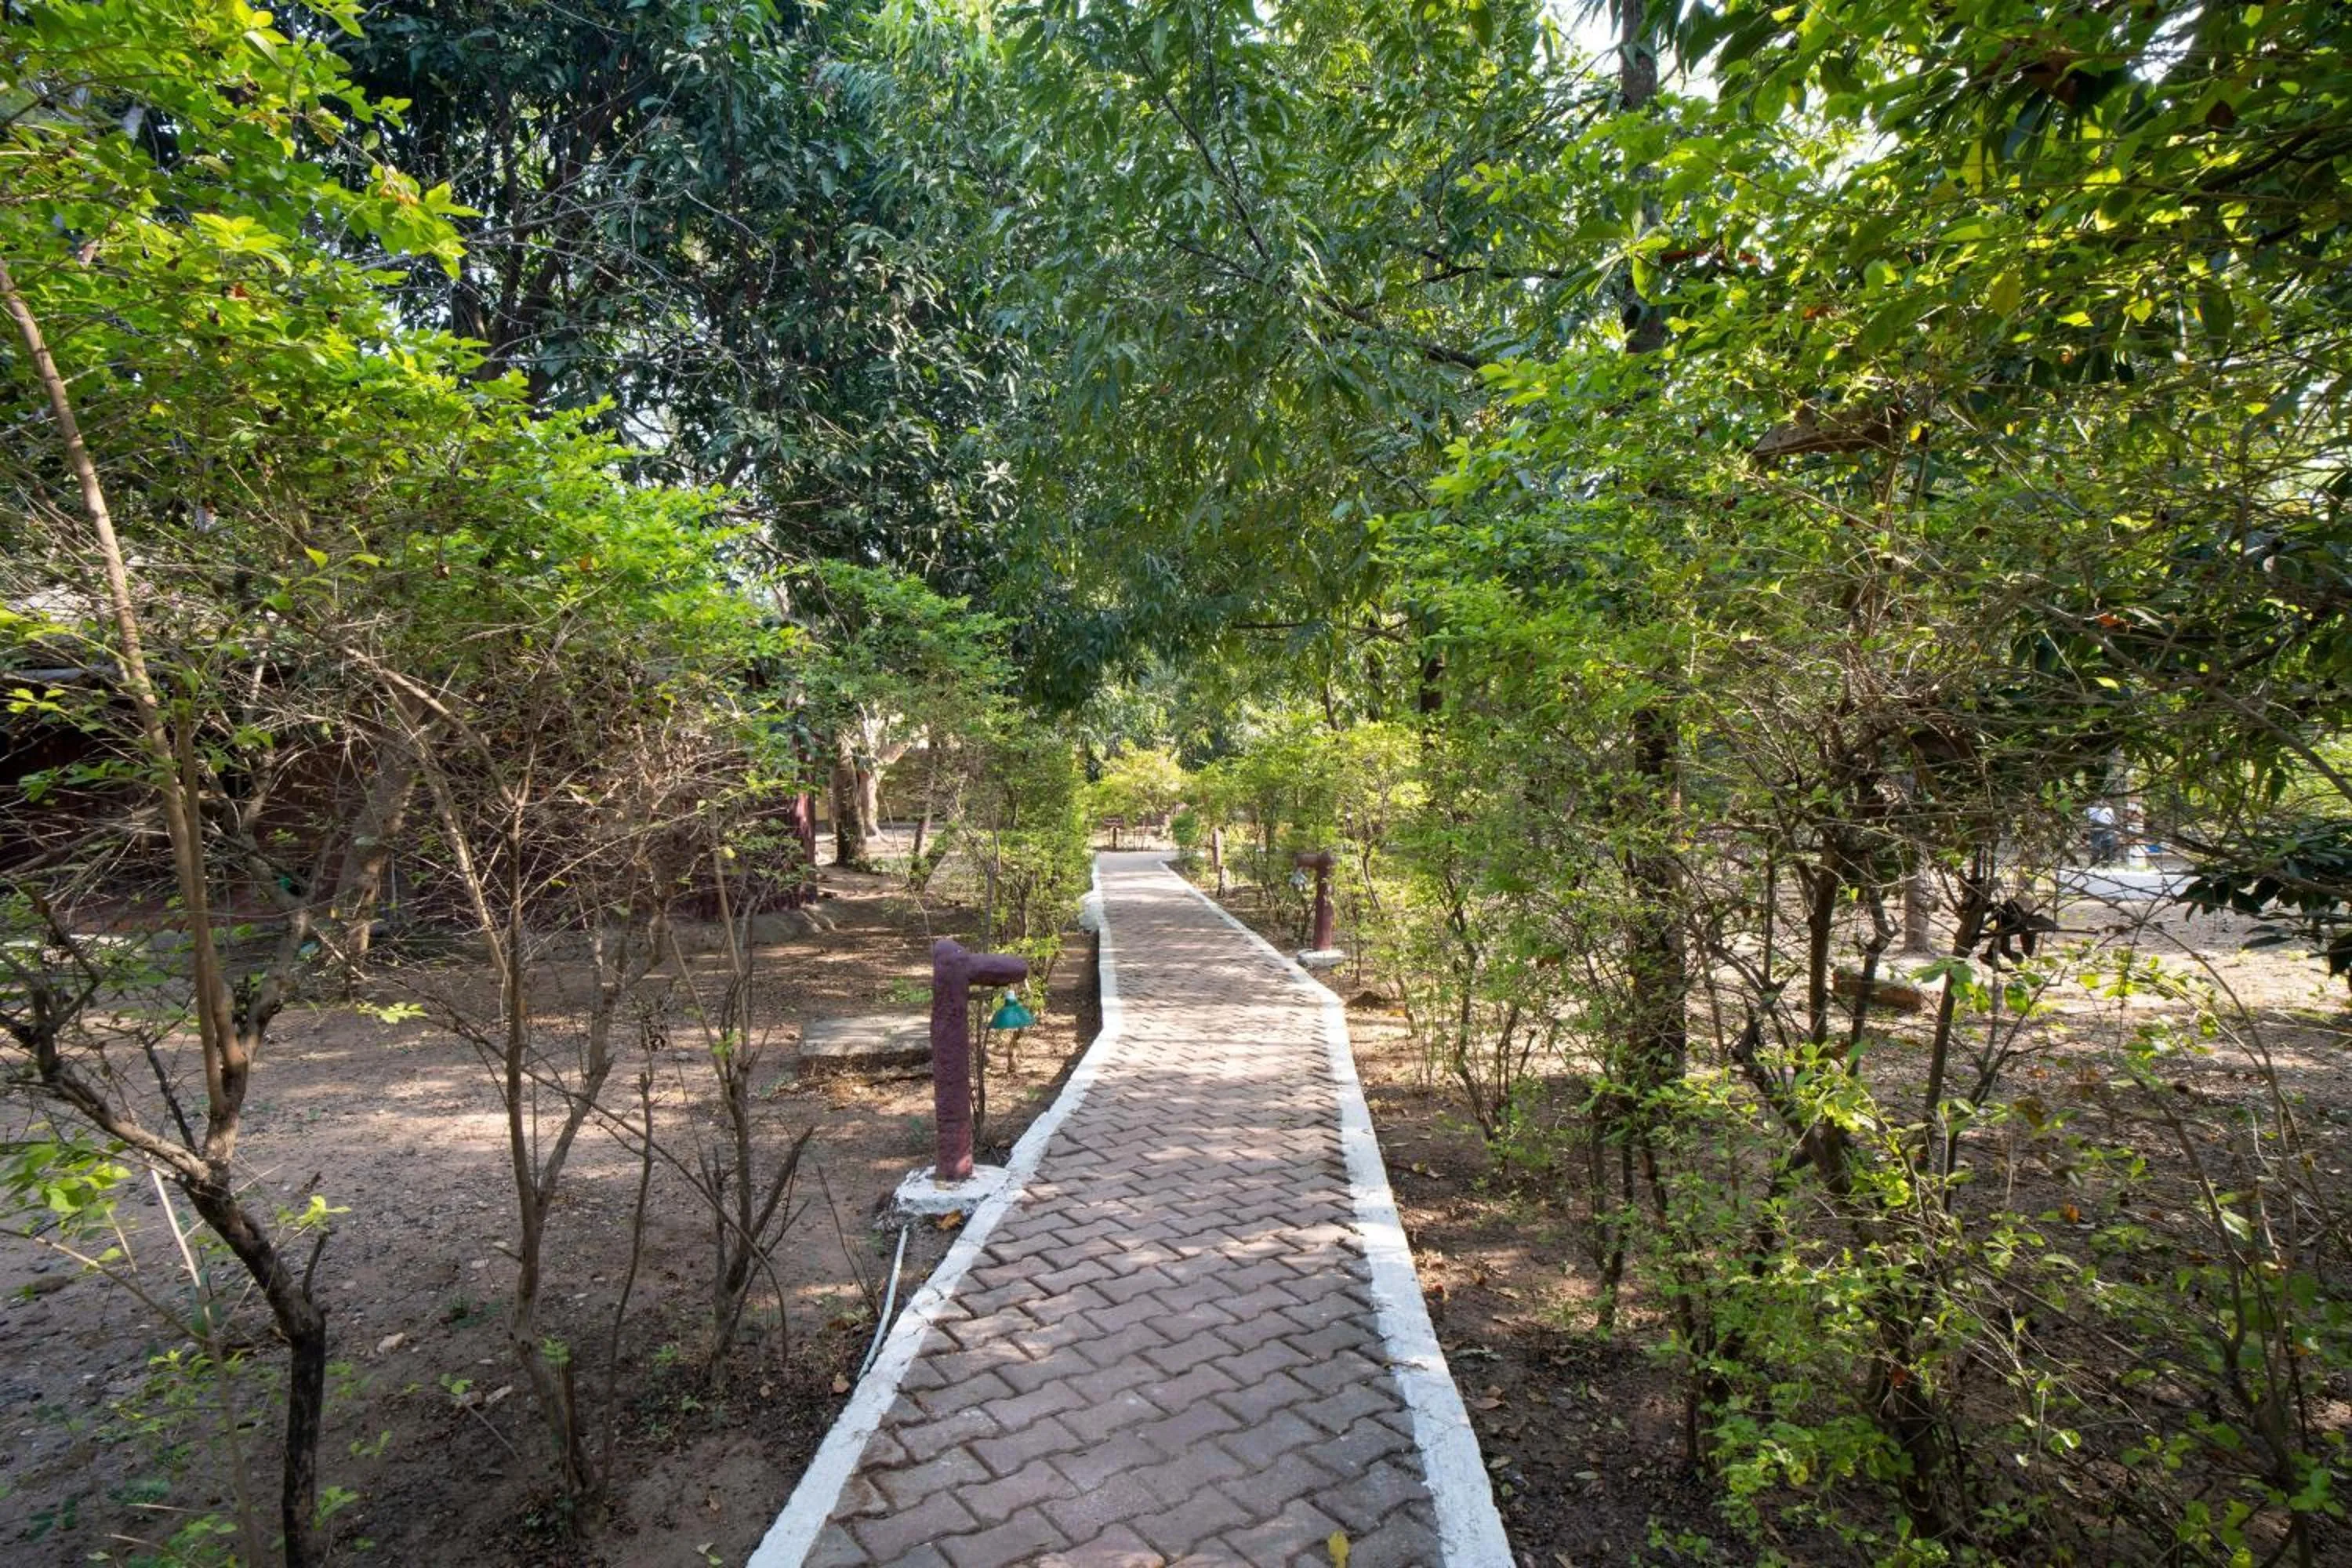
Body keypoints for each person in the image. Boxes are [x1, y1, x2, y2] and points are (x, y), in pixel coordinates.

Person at [2087, 801, 2119, 866]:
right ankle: (2099, 863)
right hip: (2100, 830)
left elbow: (2112, 820)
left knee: (2099, 846)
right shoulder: (2091, 809)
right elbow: (2112, 820)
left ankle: (2100, 863)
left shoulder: (2108, 809)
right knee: (2100, 847)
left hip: (2101, 830)